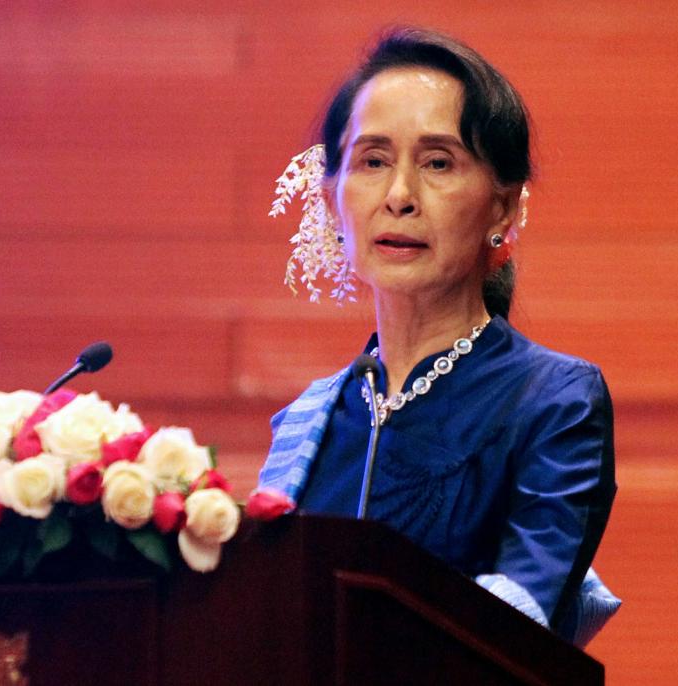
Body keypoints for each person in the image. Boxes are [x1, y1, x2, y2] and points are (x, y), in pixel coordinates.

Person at [259, 27, 619, 647]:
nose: (399, 196)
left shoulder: (554, 401)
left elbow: (512, 627)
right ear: (332, 196)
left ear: (502, 208)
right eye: (372, 161)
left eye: (437, 162)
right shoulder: (309, 420)